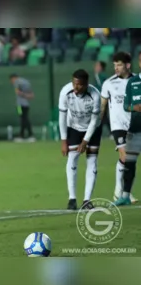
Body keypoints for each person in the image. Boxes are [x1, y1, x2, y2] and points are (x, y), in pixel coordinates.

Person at [58, 69, 102, 210]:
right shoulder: (65, 92)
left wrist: (85, 141)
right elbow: (62, 117)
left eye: (80, 85)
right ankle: (72, 199)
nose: (76, 87)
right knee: (72, 159)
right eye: (74, 83)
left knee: (92, 161)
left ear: (86, 84)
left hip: (92, 129)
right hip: (74, 128)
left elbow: (94, 121)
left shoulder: (95, 95)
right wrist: (64, 140)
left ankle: (87, 200)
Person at [100, 52, 138, 204]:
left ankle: (124, 191)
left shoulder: (137, 81)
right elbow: (103, 106)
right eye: (114, 65)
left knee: (130, 161)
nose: (116, 68)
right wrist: (97, 123)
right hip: (118, 126)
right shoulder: (108, 83)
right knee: (125, 156)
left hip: (135, 124)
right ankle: (120, 192)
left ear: (127, 65)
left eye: (119, 65)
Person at [114, 53, 141, 206]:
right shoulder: (133, 82)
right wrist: (134, 107)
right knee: (129, 164)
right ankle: (125, 196)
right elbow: (126, 105)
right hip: (135, 129)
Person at [9, 73, 35, 142]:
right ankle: (23, 135)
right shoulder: (26, 82)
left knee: (23, 119)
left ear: (13, 78)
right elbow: (32, 95)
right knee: (24, 119)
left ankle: (28, 135)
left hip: (19, 106)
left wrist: (23, 95)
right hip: (26, 105)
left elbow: (17, 92)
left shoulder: (17, 82)